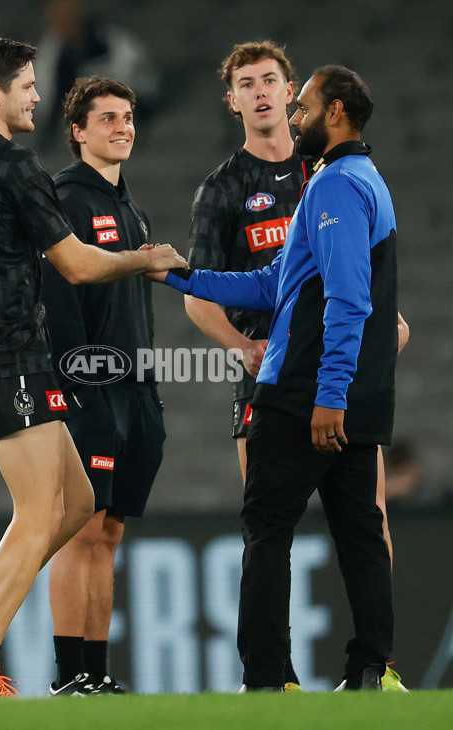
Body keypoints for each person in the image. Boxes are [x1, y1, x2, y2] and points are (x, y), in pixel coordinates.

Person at [0, 37, 186, 698]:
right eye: (26, 86)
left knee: (76, 503)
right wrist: (143, 259)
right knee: (40, 511)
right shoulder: (15, 166)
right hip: (7, 354)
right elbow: (75, 266)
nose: (36, 97)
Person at [156, 65, 398, 691]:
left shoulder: (336, 186)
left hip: (305, 395)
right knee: (360, 530)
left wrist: (328, 396)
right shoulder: (355, 180)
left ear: (336, 112)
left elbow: (347, 300)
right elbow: (273, 285)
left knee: (267, 530)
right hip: (346, 394)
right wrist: (179, 275)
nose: (294, 117)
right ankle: (371, 668)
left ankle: (266, 679)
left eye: (305, 107)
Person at [36, 75, 166, 696]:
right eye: (107, 118)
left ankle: (96, 672)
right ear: (79, 131)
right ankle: (69, 677)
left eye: (128, 117)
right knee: (82, 530)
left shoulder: (132, 208)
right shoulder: (66, 199)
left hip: (138, 390)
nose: (123, 128)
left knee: (110, 532)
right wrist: (76, 389)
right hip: (91, 392)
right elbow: (59, 309)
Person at [185, 39, 304, 691]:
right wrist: (241, 346)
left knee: (362, 515)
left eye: (270, 79)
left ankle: (374, 664)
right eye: (247, 83)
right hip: (264, 378)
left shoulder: (325, 170)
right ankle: (271, 674)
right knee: (269, 528)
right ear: (231, 101)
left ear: (290, 90)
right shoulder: (224, 189)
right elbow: (199, 291)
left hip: (335, 369)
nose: (260, 91)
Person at [34, 0, 160, 151]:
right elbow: (45, 91)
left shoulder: (112, 42)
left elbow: (137, 81)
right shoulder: (52, 50)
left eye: (68, 17)